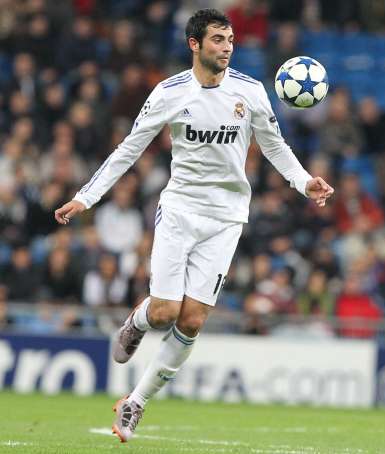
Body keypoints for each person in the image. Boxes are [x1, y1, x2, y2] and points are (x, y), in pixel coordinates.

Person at [54, 9, 334, 443]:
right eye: (218, 40)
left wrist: (303, 182)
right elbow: (129, 149)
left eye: (230, 39)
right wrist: (85, 197)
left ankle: (136, 403)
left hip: (226, 218)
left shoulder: (251, 91)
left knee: (192, 321)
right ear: (195, 44)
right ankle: (138, 321)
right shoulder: (169, 93)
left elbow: (274, 145)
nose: (227, 47)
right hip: (180, 210)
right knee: (165, 312)